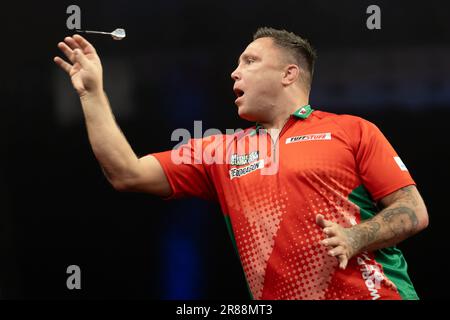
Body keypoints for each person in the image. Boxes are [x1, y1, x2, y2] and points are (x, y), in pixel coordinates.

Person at [54, 27, 428, 300]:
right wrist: (91, 93)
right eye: (236, 64)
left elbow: (413, 211)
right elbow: (126, 173)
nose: (235, 73)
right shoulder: (221, 152)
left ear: (288, 74)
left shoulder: (351, 131)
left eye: (249, 61)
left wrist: (355, 236)